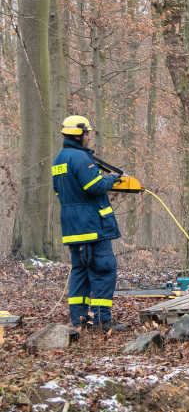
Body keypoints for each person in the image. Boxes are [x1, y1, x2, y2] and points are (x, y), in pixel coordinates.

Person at [52, 115, 128, 332]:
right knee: (104, 270)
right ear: (80, 134)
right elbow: (93, 186)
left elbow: (58, 189)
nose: (89, 137)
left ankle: (80, 321)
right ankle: (103, 322)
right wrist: (112, 180)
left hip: (73, 229)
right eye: (87, 134)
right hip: (92, 227)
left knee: (80, 272)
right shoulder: (80, 158)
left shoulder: (59, 159)